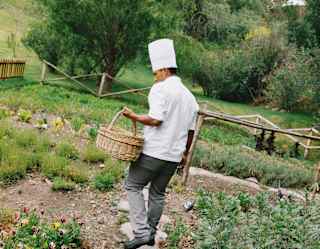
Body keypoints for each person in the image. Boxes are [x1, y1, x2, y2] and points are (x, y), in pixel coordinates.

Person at [122, 39, 199, 249]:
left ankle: (140, 232)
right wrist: (183, 154)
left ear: (164, 69)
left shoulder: (160, 89)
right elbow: (191, 131)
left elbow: (156, 119)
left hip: (153, 152)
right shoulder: (191, 98)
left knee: (133, 184)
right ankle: (151, 233)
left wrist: (133, 116)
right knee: (157, 193)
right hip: (172, 157)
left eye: (155, 72)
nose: (155, 76)